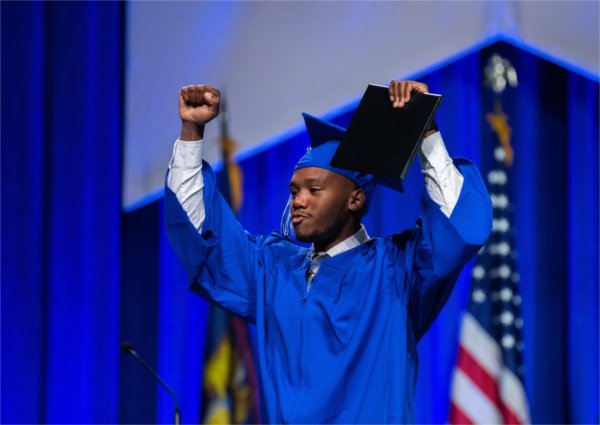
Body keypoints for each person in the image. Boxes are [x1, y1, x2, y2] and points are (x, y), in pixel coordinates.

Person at [165, 81, 492, 423]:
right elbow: (204, 238)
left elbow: (458, 227)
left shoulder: (396, 271)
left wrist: (426, 130)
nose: (298, 200)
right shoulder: (273, 271)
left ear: (356, 199)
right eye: (294, 190)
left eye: (313, 189)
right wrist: (191, 132)